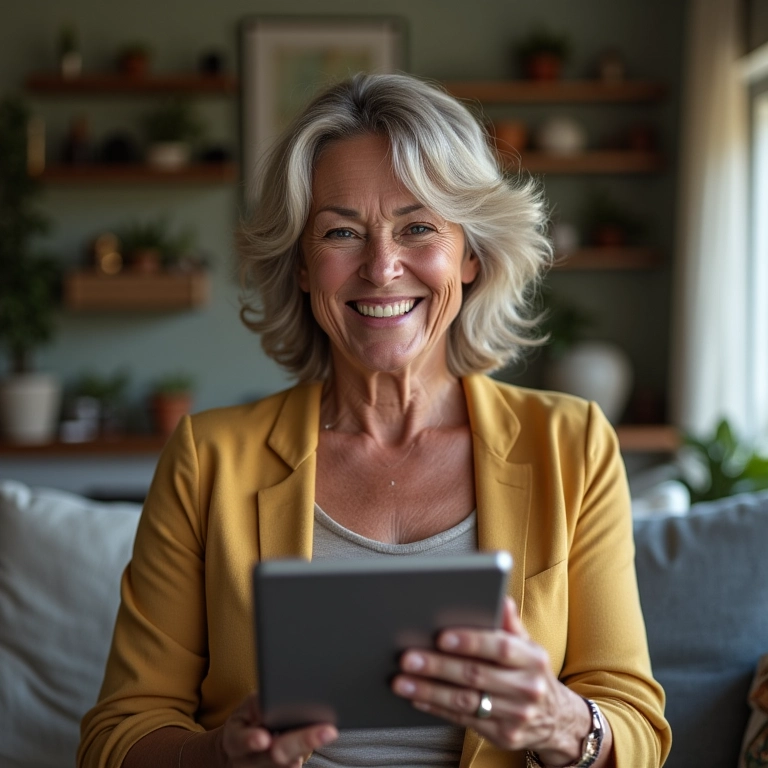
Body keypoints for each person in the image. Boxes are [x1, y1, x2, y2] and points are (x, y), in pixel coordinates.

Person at [78, 72, 671, 768]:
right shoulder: (208, 458)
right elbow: (116, 737)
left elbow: (634, 726)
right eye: (341, 232)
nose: (382, 267)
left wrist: (562, 723)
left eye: (417, 227)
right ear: (301, 265)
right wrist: (224, 756)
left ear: (471, 254)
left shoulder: (572, 445)